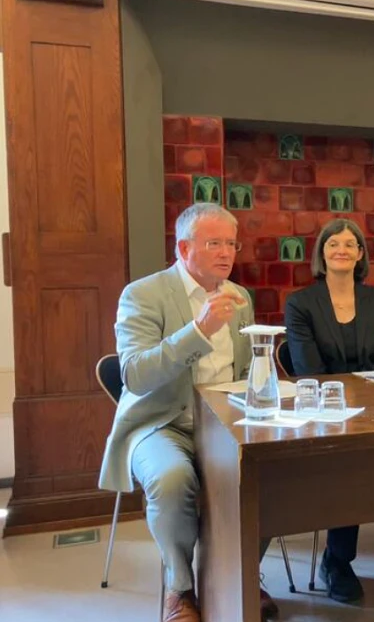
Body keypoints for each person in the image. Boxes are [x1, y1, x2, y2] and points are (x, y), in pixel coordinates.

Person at [98, 204, 279, 622]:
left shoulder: (240, 297)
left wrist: (264, 385)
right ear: (183, 248)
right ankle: (180, 589)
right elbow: (136, 374)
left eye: (231, 243)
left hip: (228, 422)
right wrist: (198, 330)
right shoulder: (142, 294)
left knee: (273, 473)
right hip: (160, 422)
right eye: (213, 242)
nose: (226, 252)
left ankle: (241, 573)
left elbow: (247, 368)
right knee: (172, 478)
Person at [284, 218, 374, 603]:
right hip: (326, 415)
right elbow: (309, 369)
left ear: (361, 254)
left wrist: (365, 392)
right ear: (321, 253)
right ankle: (337, 562)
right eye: (332, 243)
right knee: (349, 463)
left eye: (350, 243)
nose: (341, 249)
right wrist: (354, 388)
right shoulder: (301, 304)